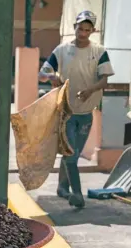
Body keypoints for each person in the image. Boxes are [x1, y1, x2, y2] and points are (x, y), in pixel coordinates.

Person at [38, 11, 115, 208]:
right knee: (71, 155)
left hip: (86, 114)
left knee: (72, 154)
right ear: (75, 27)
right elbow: (43, 73)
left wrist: (90, 91)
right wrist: (52, 77)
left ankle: (62, 188)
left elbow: (104, 80)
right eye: (80, 29)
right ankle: (77, 195)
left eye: (87, 30)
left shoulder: (99, 52)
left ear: (93, 31)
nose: (83, 33)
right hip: (67, 113)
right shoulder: (62, 50)